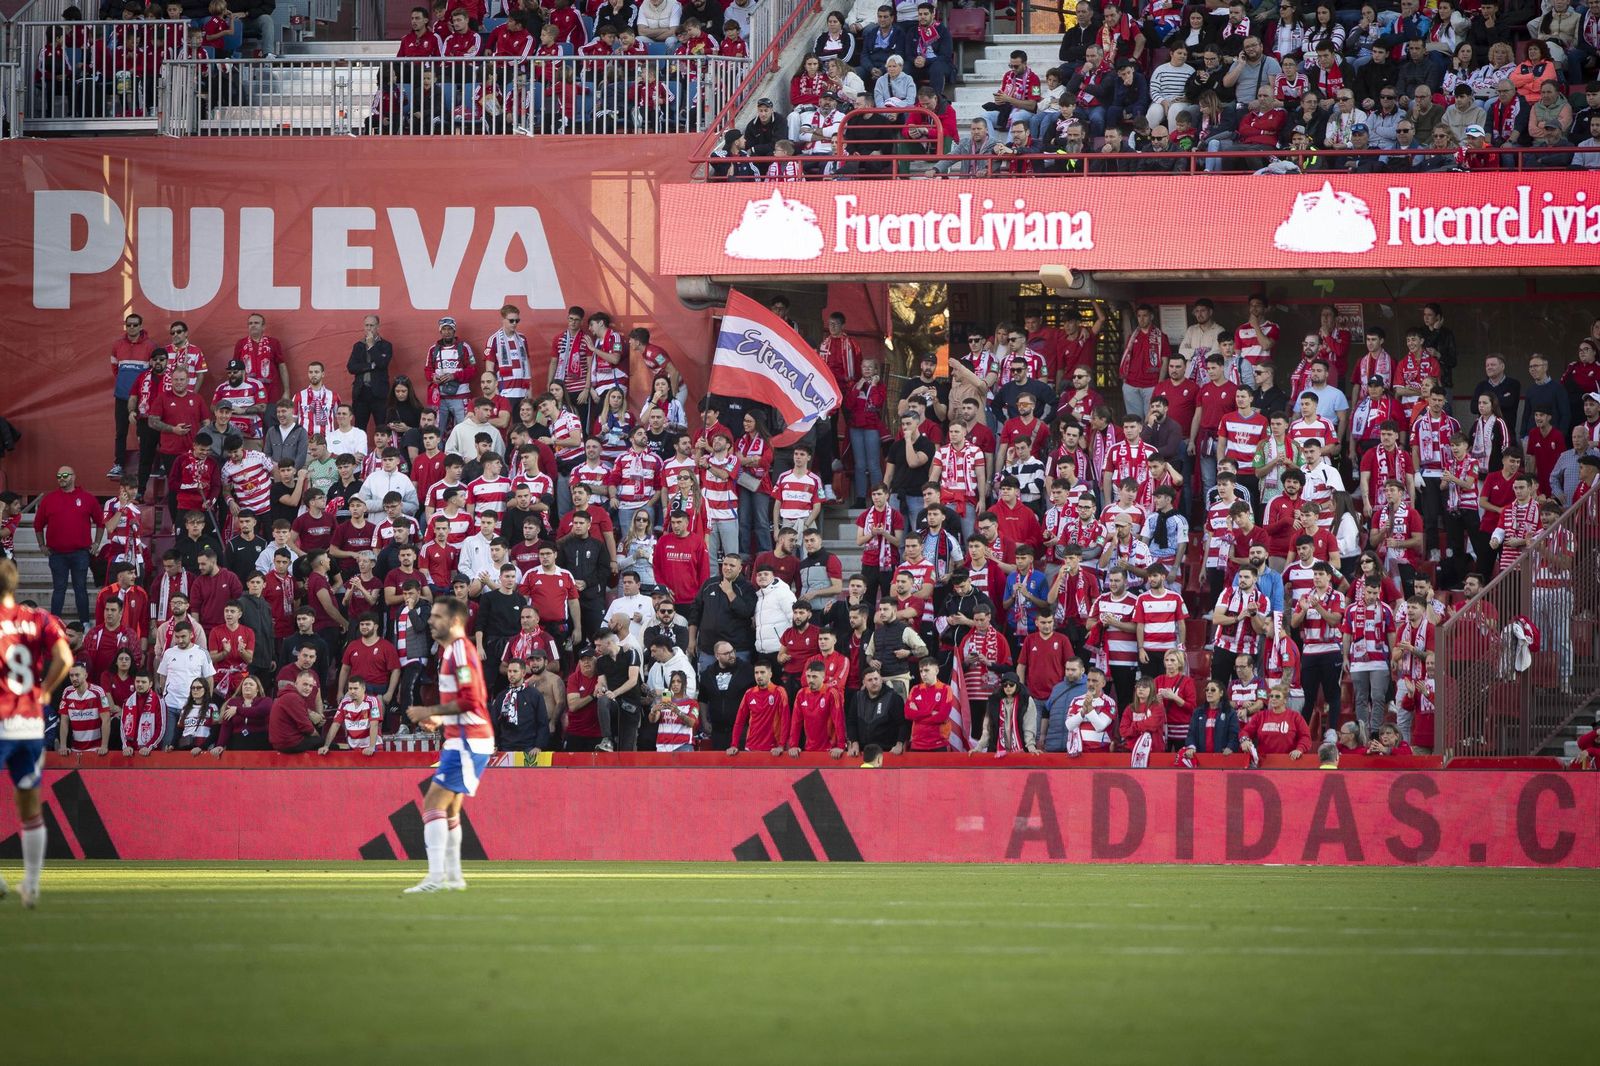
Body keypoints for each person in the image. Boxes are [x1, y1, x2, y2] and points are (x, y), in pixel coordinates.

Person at [403, 597, 492, 893]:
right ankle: (453, 878)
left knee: (432, 803)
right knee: (451, 810)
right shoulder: (453, 652)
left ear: (454, 622)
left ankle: (436, 877)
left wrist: (429, 711)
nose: (430, 620)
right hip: (463, 737)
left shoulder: (461, 651)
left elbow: (472, 699)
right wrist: (440, 719)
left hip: (468, 739)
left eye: (437, 616)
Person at [0, 559, 74, 907]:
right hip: (30, 724)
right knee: (29, 803)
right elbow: (65, 658)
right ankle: (30, 885)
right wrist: (44, 691)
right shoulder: (39, 618)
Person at [34, 466, 104, 625]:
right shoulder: (49, 499)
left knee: (81, 589)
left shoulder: (87, 498)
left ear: (73, 476)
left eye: (65, 475)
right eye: (58, 476)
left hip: (81, 553)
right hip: (57, 553)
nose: (61, 478)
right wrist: (41, 545)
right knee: (59, 589)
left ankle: (85, 624)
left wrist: (97, 543)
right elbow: (38, 525)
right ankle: (53, 624)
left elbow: (101, 522)